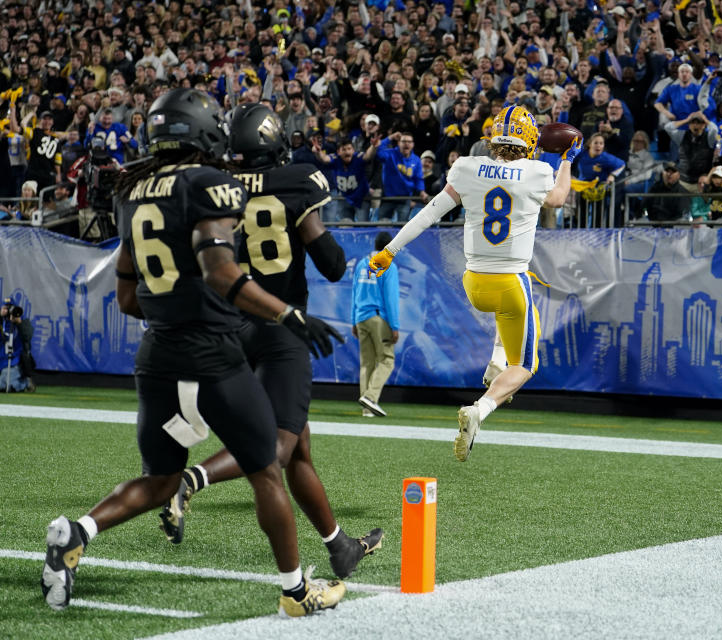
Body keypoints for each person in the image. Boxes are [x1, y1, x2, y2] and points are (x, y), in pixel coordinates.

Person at [41, 89, 346, 617]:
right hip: (214, 357)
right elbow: (222, 272)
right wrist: (287, 314)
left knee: (160, 480)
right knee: (266, 470)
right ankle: (297, 593)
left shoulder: (131, 191)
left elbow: (128, 297)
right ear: (205, 130)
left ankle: (78, 532)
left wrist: (173, 313)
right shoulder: (210, 184)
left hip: (156, 356)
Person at [157, 103, 382, 581]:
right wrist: (310, 227)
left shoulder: (217, 185)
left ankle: (339, 546)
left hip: (232, 326)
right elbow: (332, 264)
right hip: (282, 326)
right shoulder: (299, 180)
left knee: (298, 449)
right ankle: (192, 479)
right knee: (277, 447)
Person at [368, 105, 579, 462]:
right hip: (511, 284)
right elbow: (558, 199)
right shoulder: (539, 170)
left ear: (494, 137)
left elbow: (430, 212)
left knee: (508, 305)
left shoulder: (466, 166)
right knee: (525, 365)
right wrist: (568, 159)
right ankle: (480, 409)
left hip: (474, 283)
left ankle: (497, 361)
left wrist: (390, 250)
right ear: (529, 142)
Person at [352, 231, 400, 417]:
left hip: (361, 317)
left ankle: (367, 408)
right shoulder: (389, 266)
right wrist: (394, 326)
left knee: (367, 363)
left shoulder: (361, 264)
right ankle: (371, 397)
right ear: (390, 246)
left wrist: (353, 320)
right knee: (387, 360)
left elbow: (354, 293)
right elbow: (391, 298)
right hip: (379, 318)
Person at [0, 297, 35, 393]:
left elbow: (28, 336)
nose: (7, 311)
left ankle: (26, 383)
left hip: (15, 360)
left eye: (10, 308)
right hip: (1, 359)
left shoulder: (22, 320)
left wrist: (19, 323)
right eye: (5, 307)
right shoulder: (1, 322)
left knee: (5, 385)